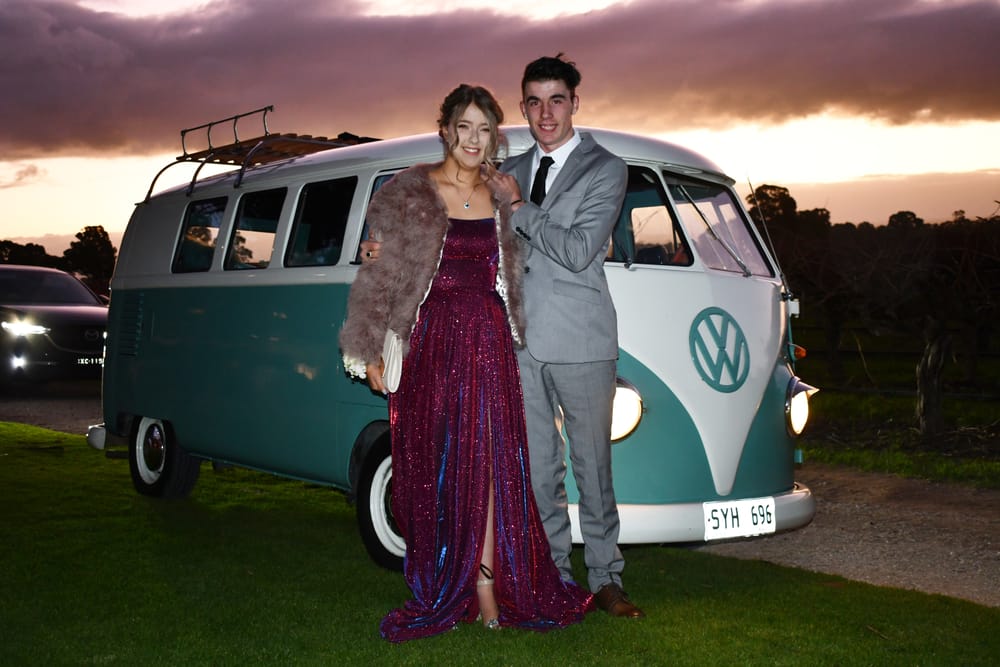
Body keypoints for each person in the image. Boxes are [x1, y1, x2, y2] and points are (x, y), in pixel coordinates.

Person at [339, 84, 592, 643]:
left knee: (492, 466)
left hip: (490, 342)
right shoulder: (412, 191)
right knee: (441, 464)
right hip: (432, 343)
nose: (474, 140)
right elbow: (382, 276)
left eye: (485, 130)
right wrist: (371, 346)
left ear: (494, 136)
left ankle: (485, 583)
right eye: (465, 128)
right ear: (446, 130)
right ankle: (444, 578)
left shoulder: (504, 194)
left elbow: (524, 269)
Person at [489, 54, 644, 618]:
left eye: (557, 99)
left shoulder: (606, 168)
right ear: (523, 106)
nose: (545, 112)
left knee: (593, 469)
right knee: (538, 470)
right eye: (534, 101)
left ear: (575, 101)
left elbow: (580, 251)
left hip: (582, 342)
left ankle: (606, 579)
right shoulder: (511, 168)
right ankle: (555, 577)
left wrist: (520, 207)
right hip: (522, 344)